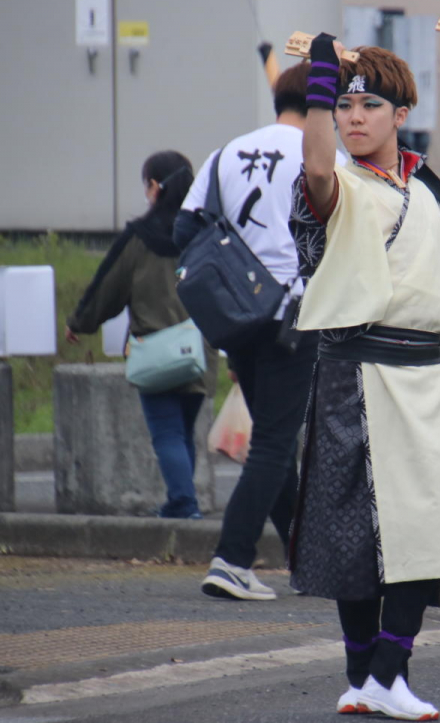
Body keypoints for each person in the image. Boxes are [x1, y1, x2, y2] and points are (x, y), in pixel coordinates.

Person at [288, 35, 440, 720]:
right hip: (356, 372)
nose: (353, 116)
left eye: (369, 104)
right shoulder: (337, 185)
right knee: (354, 530)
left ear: (402, 113)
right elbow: (315, 170)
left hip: (424, 375)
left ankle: (390, 668)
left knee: (422, 525)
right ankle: (366, 671)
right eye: (342, 105)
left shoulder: (426, 193)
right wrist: (316, 84)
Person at [175, 63, 338, 601]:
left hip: (236, 314)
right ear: (324, 105)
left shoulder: (228, 152)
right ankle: (232, 558)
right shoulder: (321, 156)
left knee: (271, 435)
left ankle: (305, 555)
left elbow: (185, 225)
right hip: (294, 313)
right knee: (273, 440)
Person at [67, 150, 218, 520]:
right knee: (182, 433)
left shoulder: (140, 238)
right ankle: (180, 500)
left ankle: (184, 504)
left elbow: (108, 286)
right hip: (201, 351)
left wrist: (80, 322)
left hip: (156, 353)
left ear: (154, 187)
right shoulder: (207, 232)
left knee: (166, 434)